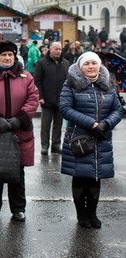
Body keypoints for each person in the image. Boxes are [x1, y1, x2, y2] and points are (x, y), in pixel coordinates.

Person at [0, 40, 39, 222]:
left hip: (20, 132)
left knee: (17, 173)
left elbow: (33, 99)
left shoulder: (26, 77)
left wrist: (20, 119)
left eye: (10, 54)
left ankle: (18, 208)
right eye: (3, 55)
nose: (7, 58)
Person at [59, 51, 122, 229]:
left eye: (94, 63)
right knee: (80, 176)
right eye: (87, 64)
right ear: (80, 67)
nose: (91, 66)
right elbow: (64, 108)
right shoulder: (70, 84)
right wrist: (91, 124)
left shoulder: (108, 84)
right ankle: (81, 214)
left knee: (96, 177)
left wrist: (106, 124)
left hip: (101, 137)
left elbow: (118, 109)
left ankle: (92, 213)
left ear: (99, 65)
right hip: (79, 138)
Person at [33, 42, 70, 155]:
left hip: (61, 100)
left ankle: (56, 145)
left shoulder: (66, 63)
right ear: (50, 50)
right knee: (46, 125)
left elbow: (69, 81)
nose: (58, 51)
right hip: (46, 99)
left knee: (58, 125)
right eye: (56, 49)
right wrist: (40, 96)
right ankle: (45, 146)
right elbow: (36, 80)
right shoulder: (42, 62)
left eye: (60, 49)